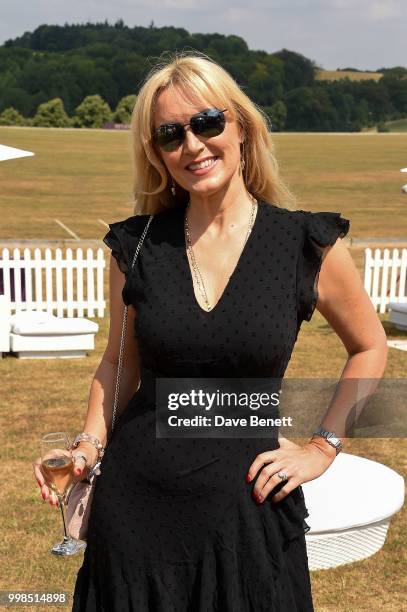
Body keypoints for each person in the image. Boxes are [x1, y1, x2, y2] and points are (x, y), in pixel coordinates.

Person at [33, 51, 388, 611]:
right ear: (157, 154)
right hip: (136, 517)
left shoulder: (305, 245)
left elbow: (369, 347)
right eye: (171, 135)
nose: (192, 146)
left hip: (247, 520)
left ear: (241, 126)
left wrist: (324, 447)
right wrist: (87, 445)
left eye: (206, 123)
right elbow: (114, 364)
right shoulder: (137, 246)